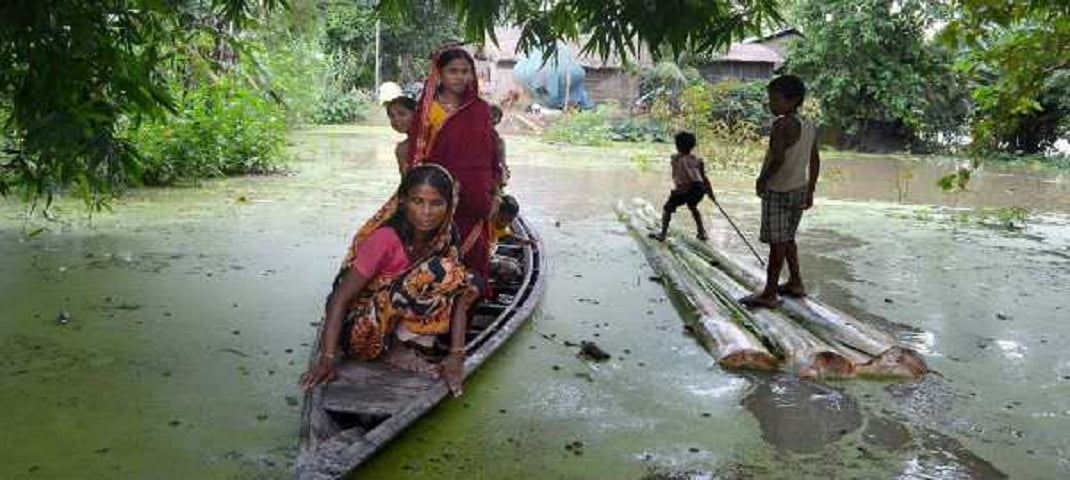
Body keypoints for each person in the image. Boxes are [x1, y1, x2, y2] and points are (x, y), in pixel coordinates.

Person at [300, 165, 480, 396]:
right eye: (418, 201)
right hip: (360, 334)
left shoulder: (446, 235)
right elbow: (339, 299)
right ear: (403, 200)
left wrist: (456, 355)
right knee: (442, 270)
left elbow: (459, 294)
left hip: (392, 324)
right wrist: (327, 358)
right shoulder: (385, 239)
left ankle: (406, 344)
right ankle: (394, 349)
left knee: (465, 280)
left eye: (436, 203)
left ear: (449, 206)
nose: (426, 212)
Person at [406, 47, 502, 291]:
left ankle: (467, 302)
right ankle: (430, 305)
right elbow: (416, 154)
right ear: (440, 74)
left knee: (473, 253)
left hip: (475, 197)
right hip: (437, 195)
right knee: (432, 249)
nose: (460, 77)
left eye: (465, 71)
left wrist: (496, 192)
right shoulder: (427, 110)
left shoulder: (480, 110)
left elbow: (492, 154)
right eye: (453, 71)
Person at [740, 75, 821, 309]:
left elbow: (777, 158)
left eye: (774, 99)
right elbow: (815, 161)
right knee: (788, 239)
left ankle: (770, 293)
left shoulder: (781, 125)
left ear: (792, 100)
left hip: (778, 190)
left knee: (777, 243)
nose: (770, 105)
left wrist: (762, 180)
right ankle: (796, 283)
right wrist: (811, 189)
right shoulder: (809, 126)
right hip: (799, 189)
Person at [649, 131, 714, 242]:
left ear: (677, 145)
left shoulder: (675, 158)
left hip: (684, 189)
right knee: (693, 207)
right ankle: (701, 232)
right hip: (699, 188)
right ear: (692, 146)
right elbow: (704, 178)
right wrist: (711, 194)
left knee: (667, 209)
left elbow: (677, 165)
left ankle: (662, 234)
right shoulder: (698, 161)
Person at [385, 96, 418, 176]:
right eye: (392, 116)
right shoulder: (401, 149)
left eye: (402, 114)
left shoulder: (432, 140)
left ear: (416, 114)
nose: (396, 119)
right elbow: (405, 183)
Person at [490, 104, 510, 186]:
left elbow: (501, 161)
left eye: (495, 116)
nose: (493, 119)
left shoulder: (498, 139)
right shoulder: (497, 139)